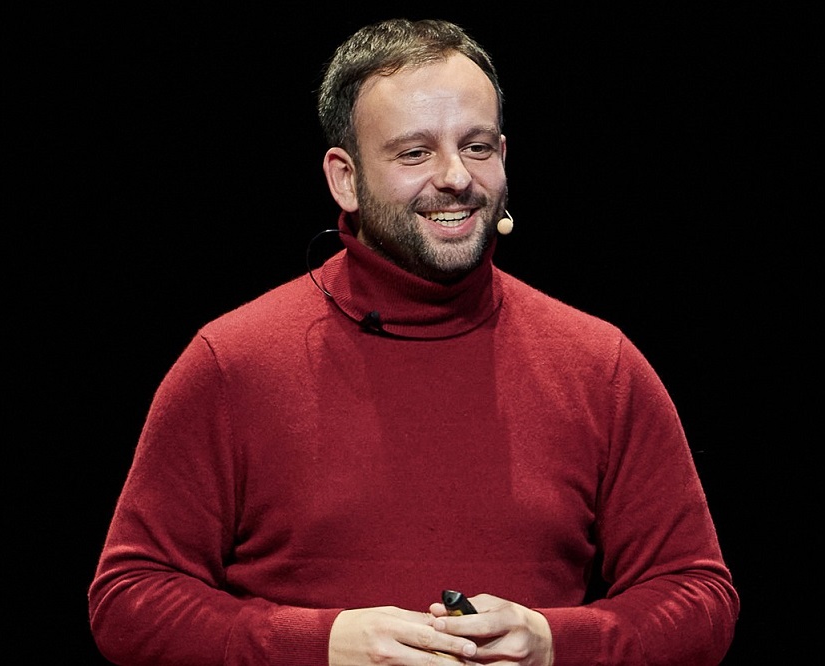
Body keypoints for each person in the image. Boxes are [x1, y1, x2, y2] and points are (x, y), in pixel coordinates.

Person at [88, 17, 739, 665]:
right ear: (345, 179)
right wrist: (321, 646)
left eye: (476, 147)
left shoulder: (599, 365)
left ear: (504, 156)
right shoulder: (234, 363)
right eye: (414, 153)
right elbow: (128, 599)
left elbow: (698, 596)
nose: (456, 176)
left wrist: (553, 642)